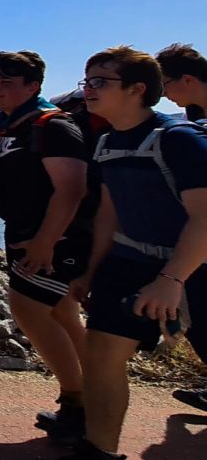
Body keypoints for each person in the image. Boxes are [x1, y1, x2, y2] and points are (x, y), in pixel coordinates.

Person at [67, 46, 207, 459]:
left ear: (137, 89)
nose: (88, 90)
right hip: (129, 262)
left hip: (192, 267)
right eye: (87, 81)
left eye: (100, 82)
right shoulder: (108, 141)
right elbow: (110, 213)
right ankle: (99, 449)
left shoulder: (180, 140)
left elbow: (204, 217)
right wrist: (92, 271)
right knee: (101, 354)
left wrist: (171, 281)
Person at [0, 51, 91, 442]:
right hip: (23, 234)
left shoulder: (53, 126)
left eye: (7, 83)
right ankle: (99, 393)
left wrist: (46, 242)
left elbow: (72, 189)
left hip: (56, 240)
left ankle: (76, 403)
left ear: (34, 85)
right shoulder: (2, 128)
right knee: (64, 315)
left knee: (30, 310)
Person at [156, 43, 207, 413]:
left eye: (166, 85)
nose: (164, 95)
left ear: (188, 79)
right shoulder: (192, 115)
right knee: (201, 314)